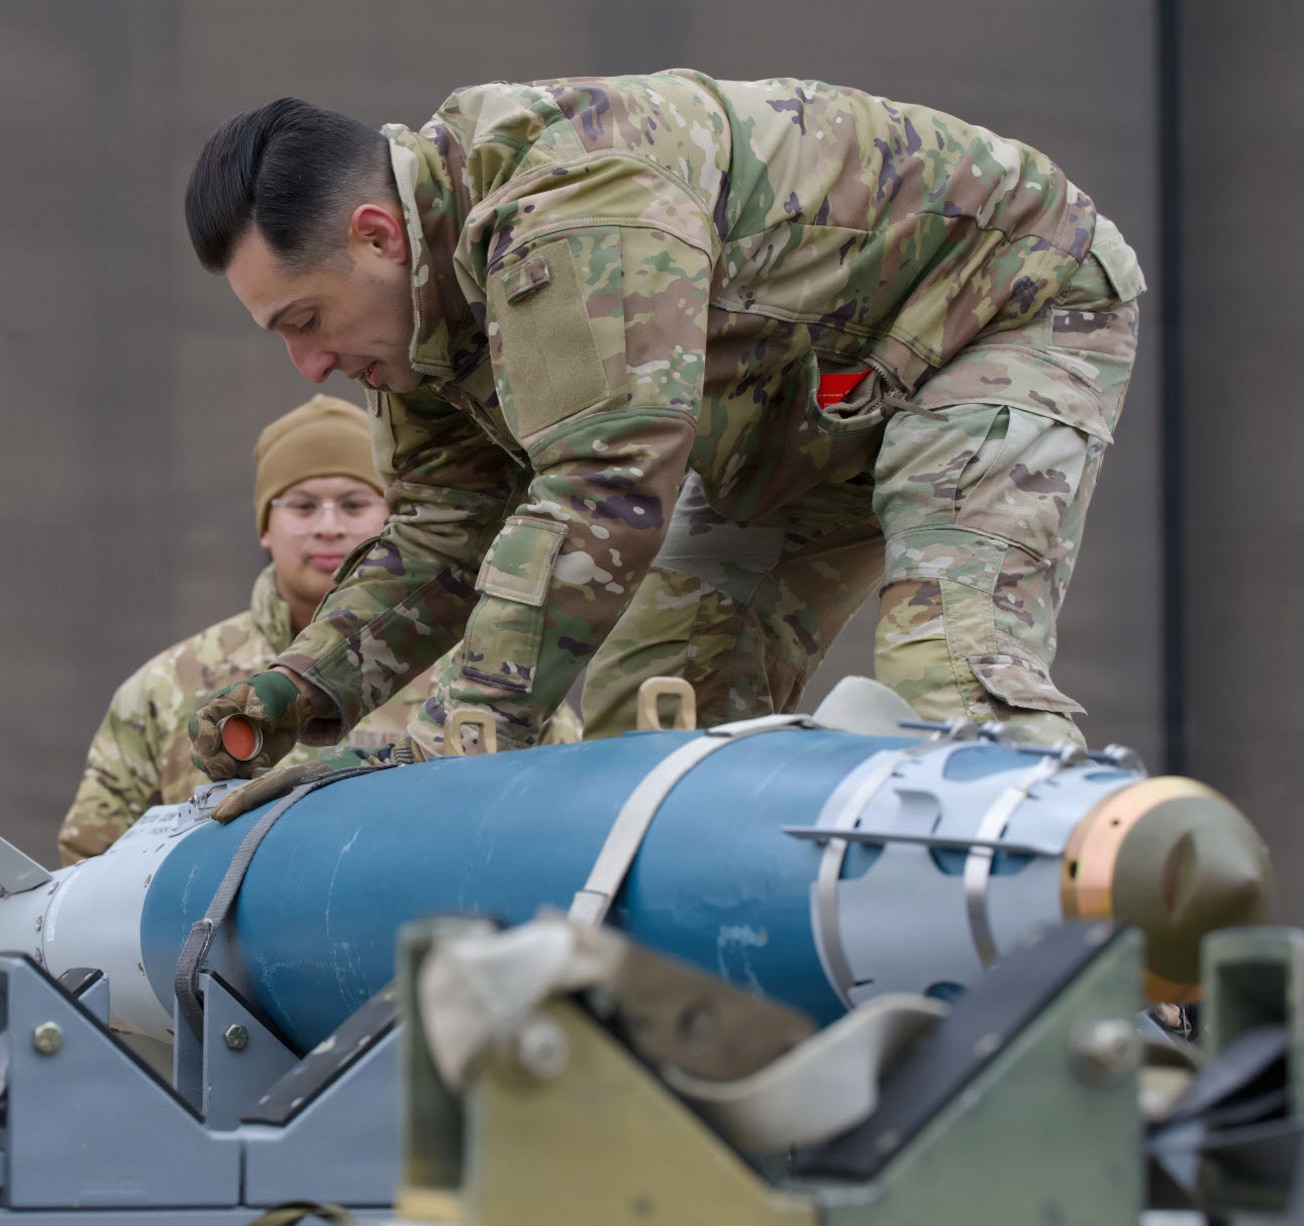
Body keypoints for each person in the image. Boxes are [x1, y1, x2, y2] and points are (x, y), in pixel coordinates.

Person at [179, 73, 1141, 796]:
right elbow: (445, 526)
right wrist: (304, 686)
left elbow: (606, 482)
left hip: (999, 308)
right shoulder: (417, 313)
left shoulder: (567, 204)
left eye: (305, 322)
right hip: (803, 402)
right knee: (646, 731)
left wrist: (458, 726)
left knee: (951, 685)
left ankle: (1119, 960)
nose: (308, 369)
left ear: (378, 236)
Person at [57, 394, 581, 862]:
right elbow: (91, 863)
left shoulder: (483, 668)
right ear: (266, 525)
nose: (328, 524)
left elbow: (563, 811)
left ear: (395, 521)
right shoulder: (165, 687)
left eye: (354, 503)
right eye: (302, 506)